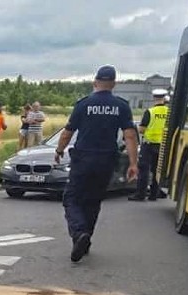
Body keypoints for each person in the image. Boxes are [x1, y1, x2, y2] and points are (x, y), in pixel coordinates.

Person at [53, 65, 139, 262]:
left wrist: (58, 151)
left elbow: (67, 133)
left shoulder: (83, 104)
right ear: (114, 84)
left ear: (95, 82)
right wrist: (133, 164)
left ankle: (79, 233)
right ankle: (86, 238)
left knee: (72, 198)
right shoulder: (122, 106)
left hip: (83, 159)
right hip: (106, 160)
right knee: (93, 201)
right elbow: (130, 136)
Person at [129, 88, 169, 201]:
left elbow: (141, 129)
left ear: (154, 98)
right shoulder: (169, 112)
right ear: (164, 98)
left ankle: (140, 194)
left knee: (144, 169)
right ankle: (154, 194)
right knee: (157, 170)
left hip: (149, 144)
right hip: (163, 145)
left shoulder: (150, 112)